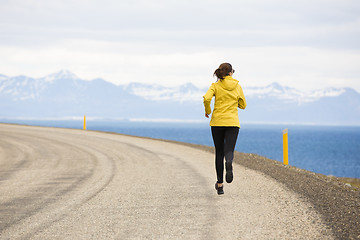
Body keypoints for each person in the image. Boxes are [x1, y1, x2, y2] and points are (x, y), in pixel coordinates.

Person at [203, 63, 246, 195]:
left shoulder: (215, 86)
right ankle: (229, 162)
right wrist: (235, 102)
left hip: (217, 123)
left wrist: (208, 110)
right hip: (232, 122)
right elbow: (243, 105)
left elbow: (206, 98)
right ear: (230, 73)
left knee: (219, 152)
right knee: (229, 150)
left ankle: (220, 185)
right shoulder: (237, 86)